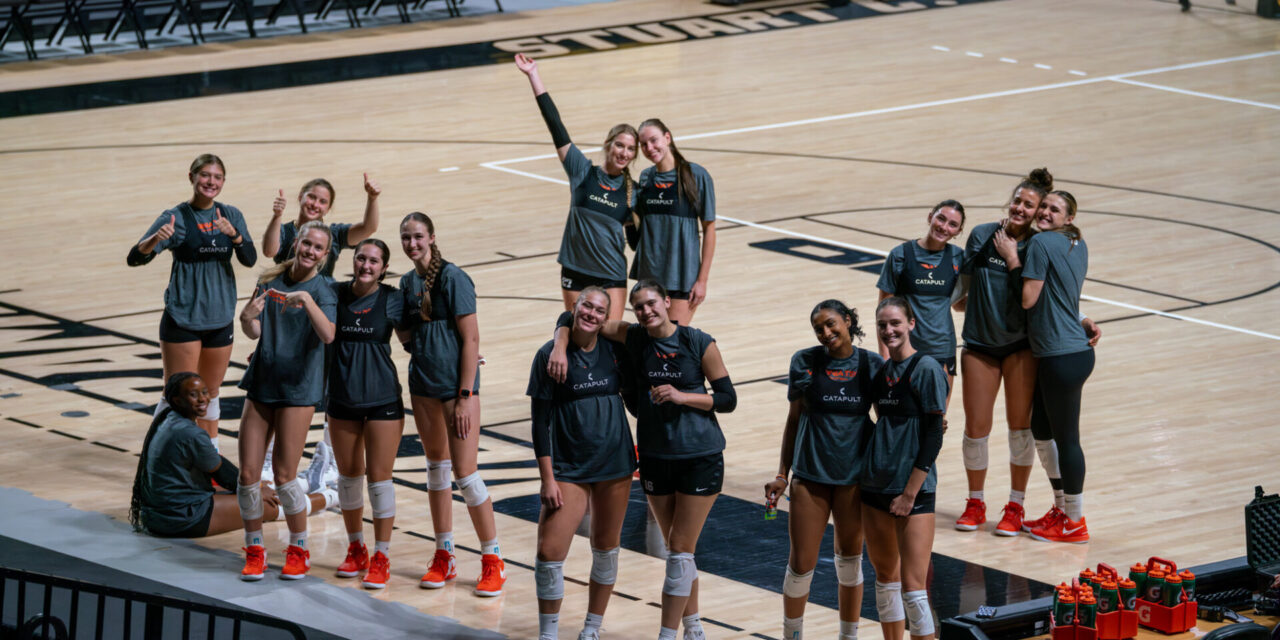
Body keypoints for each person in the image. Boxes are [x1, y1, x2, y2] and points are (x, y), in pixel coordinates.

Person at [550, 279, 736, 640]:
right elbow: (576, 317)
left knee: (680, 550)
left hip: (700, 455)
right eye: (639, 307)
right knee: (680, 551)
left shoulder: (698, 341)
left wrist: (683, 397)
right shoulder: (634, 337)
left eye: (652, 303)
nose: (647, 311)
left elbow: (728, 398)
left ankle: (668, 634)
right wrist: (560, 343)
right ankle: (694, 626)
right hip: (653, 456)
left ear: (667, 302)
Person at [397, 212, 505, 596]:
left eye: (418, 237)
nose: (412, 244)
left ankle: (493, 560)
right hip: (423, 387)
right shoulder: (407, 283)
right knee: (436, 470)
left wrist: (464, 396)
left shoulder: (454, 278)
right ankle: (445, 555)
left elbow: (471, 340)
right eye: (406, 238)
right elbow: (408, 335)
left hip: (456, 391)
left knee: (466, 474)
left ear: (432, 237)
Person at [764, 300, 881, 640]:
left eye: (831, 324)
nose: (826, 333)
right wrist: (783, 474)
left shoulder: (871, 364)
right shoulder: (805, 361)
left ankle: (849, 636)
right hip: (810, 478)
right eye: (819, 328)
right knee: (801, 566)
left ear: (847, 321)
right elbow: (794, 420)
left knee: (849, 564)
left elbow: (887, 418)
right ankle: (793, 636)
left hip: (853, 480)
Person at [528, 287, 637, 640]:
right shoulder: (549, 355)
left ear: (606, 319)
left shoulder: (616, 350)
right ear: (575, 307)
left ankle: (591, 628)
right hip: (569, 470)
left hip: (616, 466)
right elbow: (539, 422)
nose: (591, 313)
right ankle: (548, 633)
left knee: (606, 549)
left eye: (599, 310)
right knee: (549, 552)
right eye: (586, 305)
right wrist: (547, 478)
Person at [127, 153, 256, 449]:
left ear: (223, 182)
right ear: (192, 177)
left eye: (217, 177)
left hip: (220, 319)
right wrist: (154, 240)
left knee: (209, 393)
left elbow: (249, 258)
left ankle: (208, 459)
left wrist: (234, 236)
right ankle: (159, 457)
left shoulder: (230, 215)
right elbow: (135, 258)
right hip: (183, 319)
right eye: (205, 175)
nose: (211, 182)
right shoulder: (175, 217)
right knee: (178, 396)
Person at [235, 221, 338, 581]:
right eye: (306, 243)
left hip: (298, 390)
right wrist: (246, 319)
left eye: (317, 248)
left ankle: (298, 548)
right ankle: (255, 548)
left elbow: (328, 335)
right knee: (247, 474)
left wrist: (308, 302)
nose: (310, 251)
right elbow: (255, 329)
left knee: (283, 476)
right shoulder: (269, 280)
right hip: (262, 383)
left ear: (325, 255)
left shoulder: (323, 290)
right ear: (296, 243)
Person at [952, 170, 1050, 535]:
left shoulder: (1038, 247)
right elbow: (961, 291)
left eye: (1029, 204)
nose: (1020, 208)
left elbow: (1045, 299)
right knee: (976, 429)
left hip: (1020, 347)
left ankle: (1016, 506)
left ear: (1039, 212)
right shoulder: (981, 234)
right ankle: (975, 502)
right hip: (979, 344)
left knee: (1019, 430)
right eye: (1018, 201)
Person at [129, 372, 335, 540]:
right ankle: (333, 497)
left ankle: (309, 482)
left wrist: (258, 487)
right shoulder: (190, 433)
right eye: (194, 395)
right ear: (176, 399)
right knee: (266, 506)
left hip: (157, 515)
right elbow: (223, 474)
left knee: (259, 490)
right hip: (182, 518)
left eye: (204, 392)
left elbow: (223, 475)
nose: (203, 399)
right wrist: (255, 490)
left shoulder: (167, 418)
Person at [515, 54, 638, 319]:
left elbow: (641, 241)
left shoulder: (635, 192)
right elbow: (556, 126)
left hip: (611, 274)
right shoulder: (582, 171)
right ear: (608, 144)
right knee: (578, 336)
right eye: (619, 145)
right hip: (576, 270)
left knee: (610, 339)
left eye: (630, 149)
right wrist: (534, 75)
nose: (624, 152)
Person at [862, 297, 948, 640]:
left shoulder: (927, 368)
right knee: (885, 581)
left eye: (895, 323)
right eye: (883, 325)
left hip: (913, 492)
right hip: (875, 488)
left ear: (911, 324)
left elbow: (933, 435)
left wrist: (910, 493)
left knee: (913, 589)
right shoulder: (882, 373)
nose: (889, 330)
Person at [327, 239, 405, 590]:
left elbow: (414, 342)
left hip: (382, 399)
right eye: (361, 258)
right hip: (342, 398)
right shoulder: (334, 293)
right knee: (348, 477)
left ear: (383, 268)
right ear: (353, 260)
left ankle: (382, 554)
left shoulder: (393, 299)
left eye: (374, 261)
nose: (366, 265)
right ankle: (356, 547)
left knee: (379, 479)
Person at [1018, 191, 1094, 543]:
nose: (1046, 212)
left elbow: (1028, 298)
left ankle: (1075, 522)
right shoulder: (1078, 244)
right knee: (1041, 428)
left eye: (1054, 209)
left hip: (1061, 355)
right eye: (1044, 206)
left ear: (1069, 218)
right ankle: (1061, 509)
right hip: (1070, 351)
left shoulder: (1041, 244)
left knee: (1067, 439)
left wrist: (1012, 261)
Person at [876, 200, 965, 395]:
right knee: (903, 415)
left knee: (936, 420)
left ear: (958, 231)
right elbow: (883, 310)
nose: (944, 227)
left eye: (952, 224)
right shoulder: (900, 254)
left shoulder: (959, 258)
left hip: (942, 350)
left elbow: (959, 304)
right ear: (930, 216)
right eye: (940, 218)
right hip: (904, 348)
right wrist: (884, 356)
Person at [632, 120, 716, 325]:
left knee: (673, 342)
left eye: (654, 140)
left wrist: (702, 281)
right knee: (652, 344)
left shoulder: (697, 175)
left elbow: (709, 229)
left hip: (682, 275)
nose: (650, 148)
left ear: (667, 138)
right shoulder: (645, 178)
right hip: (650, 276)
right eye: (644, 144)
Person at [262, 174, 381, 278]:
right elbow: (269, 251)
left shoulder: (334, 234)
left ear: (328, 209)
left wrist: (372, 198)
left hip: (320, 300)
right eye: (311, 197)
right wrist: (277, 216)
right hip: (286, 297)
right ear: (300, 197)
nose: (315, 204)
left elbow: (368, 228)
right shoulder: (283, 230)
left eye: (322, 201)